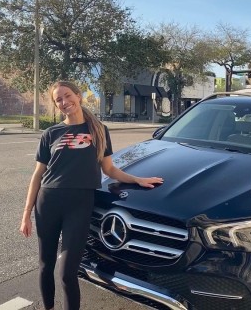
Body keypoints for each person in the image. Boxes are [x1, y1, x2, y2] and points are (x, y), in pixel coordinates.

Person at [19, 80, 163, 310]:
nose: (64, 102)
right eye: (59, 100)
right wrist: (26, 213)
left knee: (68, 272)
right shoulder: (51, 133)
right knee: (45, 265)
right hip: (48, 202)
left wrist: (138, 179)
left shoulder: (97, 130)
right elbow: (38, 175)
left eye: (67, 96)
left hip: (80, 204)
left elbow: (109, 169)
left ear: (78, 96)